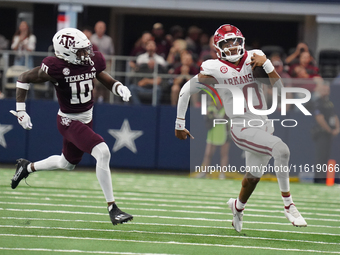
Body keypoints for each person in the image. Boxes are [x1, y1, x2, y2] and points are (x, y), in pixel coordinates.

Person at [174, 24, 307, 232]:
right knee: (281, 150)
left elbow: (280, 92)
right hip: (241, 127)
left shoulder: (255, 57)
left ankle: (237, 207)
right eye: (227, 42)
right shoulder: (214, 68)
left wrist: (269, 65)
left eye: (235, 41)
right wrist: (179, 123)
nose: (233, 46)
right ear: (218, 47)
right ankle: (289, 205)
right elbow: (186, 89)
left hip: (263, 125)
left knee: (251, 180)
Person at [9, 28, 133, 226]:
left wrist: (118, 87)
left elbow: (101, 75)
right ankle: (112, 207)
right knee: (103, 152)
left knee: (66, 163)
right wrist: (21, 110)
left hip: (87, 118)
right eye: (81, 51)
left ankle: (28, 167)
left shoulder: (91, 60)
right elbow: (23, 78)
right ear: (66, 53)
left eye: (86, 49)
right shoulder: (55, 67)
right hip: (69, 120)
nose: (86, 55)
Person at [311, 84, 340, 183]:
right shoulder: (318, 102)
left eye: (327, 89)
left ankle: (324, 178)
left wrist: (337, 128)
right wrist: (329, 130)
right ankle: (318, 178)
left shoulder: (328, 102)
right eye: (323, 89)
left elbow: (334, 115)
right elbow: (319, 118)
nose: (326, 91)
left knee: (326, 157)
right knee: (321, 157)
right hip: (322, 133)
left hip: (329, 134)